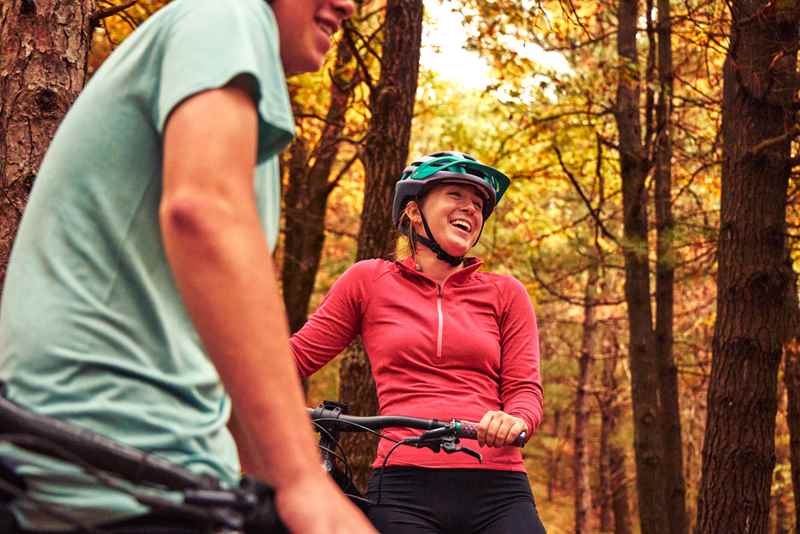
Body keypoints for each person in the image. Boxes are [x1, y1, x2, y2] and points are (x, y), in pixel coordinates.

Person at [0, 0, 377, 532]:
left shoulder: (237, 101)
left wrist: (277, 481)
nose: (348, 4)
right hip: (107, 468)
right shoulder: (224, 14)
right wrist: (302, 481)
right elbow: (202, 215)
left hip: (165, 478)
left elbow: (218, 344)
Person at [291, 151, 547, 533]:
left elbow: (525, 389)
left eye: (478, 205)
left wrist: (514, 419)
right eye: (456, 196)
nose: (470, 209)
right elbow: (292, 359)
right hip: (402, 485)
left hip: (498, 486)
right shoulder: (368, 281)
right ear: (413, 211)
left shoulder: (506, 293)